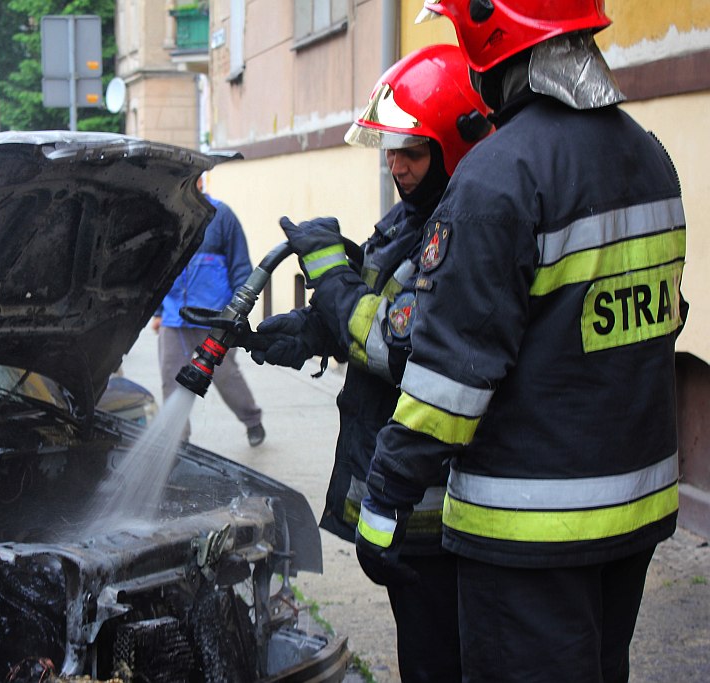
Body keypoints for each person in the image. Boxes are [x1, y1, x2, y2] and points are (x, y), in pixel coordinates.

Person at [285, 1, 687, 680]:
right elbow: (658, 317)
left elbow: (450, 377)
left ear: (488, 37)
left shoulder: (502, 174)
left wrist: (384, 498)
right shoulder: (649, 155)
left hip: (529, 528)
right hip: (635, 509)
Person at [249, 44, 491, 682]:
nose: (396, 165)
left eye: (413, 151)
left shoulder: (461, 229)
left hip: (435, 509)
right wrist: (309, 333)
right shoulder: (412, 217)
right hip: (401, 496)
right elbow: (379, 303)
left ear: (453, 147)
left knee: (439, 661)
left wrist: (329, 273)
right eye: (390, 150)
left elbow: (399, 346)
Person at [153, 176, 266, 446]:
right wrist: (157, 311)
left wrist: (238, 313)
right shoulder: (167, 217)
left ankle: (252, 420)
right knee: (171, 379)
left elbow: (240, 267)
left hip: (215, 319)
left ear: (201, 181)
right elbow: (157, 268)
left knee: (226, 377)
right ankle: (178, 441)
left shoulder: (222, 216)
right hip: (175, 318)